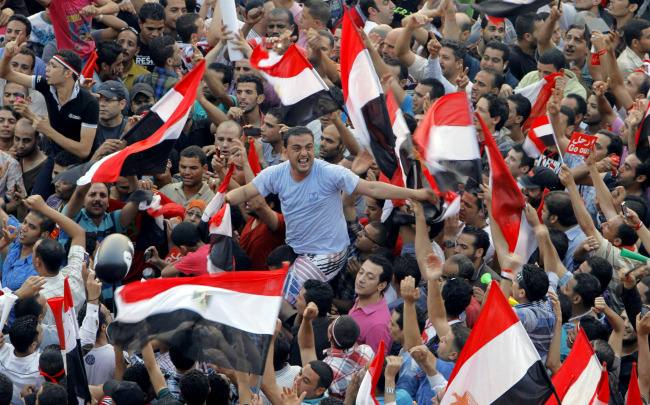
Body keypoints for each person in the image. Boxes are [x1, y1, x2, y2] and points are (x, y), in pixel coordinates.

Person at [225, 127, 436, 305]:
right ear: (285, 150)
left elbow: (371, 188)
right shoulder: (276, 173)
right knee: (277, 288)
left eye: (309, 147)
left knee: (281, 298)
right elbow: (246, 192)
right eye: (297, 148)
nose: (304, 153)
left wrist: (414, 193)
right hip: (299, 251)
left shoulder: (329, 172)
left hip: (330, 252)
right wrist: (224, 198)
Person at [0, 41, 99, 201]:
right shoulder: (45, 84)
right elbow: (5, 74)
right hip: (56, 155)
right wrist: (8, 55)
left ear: (67, 74)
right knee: (34, 200)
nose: (46, 68)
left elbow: (84, 150)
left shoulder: (88, 102)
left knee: (72, 207)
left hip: (83, 162)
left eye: (53, 66)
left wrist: (48, 130)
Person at [348, 254, 394, 353]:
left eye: (369, 277)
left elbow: (374, 364)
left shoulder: (378, 325)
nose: (361, 279)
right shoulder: (362, 297)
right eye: (360, 272)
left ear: (381, 285)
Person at [134, 35, 182, 100]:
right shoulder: (177, 86)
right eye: (178, 51)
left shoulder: (139, 79)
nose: (181, 52)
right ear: (169, 61)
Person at [11, 118, 46, 195]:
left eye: (26, 141)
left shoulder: (45, 167)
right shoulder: (13, 158)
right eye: (17, 139)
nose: (20, 145)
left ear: (38, 139)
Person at [135, 2, 166, 71]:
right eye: (150, 29)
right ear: (140, 24)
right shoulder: (131, 46)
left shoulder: (170, 45)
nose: (155, 34)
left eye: (160, 29)